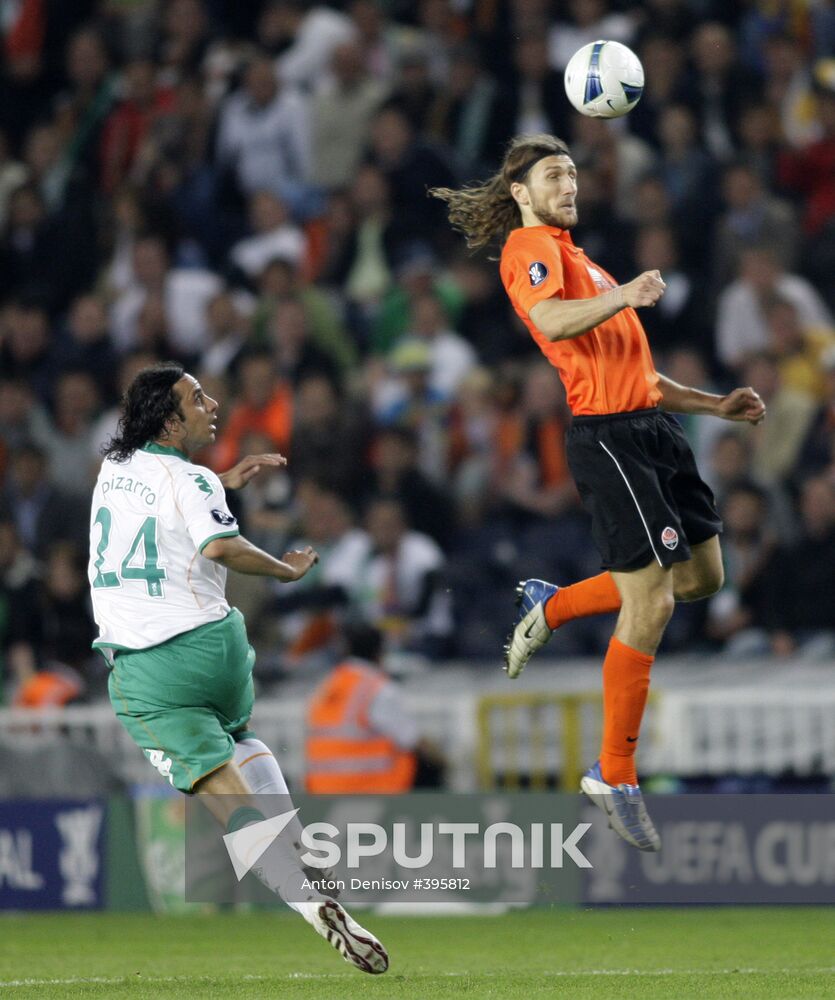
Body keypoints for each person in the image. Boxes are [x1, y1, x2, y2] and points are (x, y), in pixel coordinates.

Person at [431, 134, 766, 853]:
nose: (570, 183)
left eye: (573, 172)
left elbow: (641, 375)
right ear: (520, 191)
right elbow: (548, 320)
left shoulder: (581, 257)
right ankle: (613, 772)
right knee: (652, 597)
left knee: (703, 578)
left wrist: (714, 406)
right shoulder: (532, 251)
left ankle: (550, 605)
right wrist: (624, 294)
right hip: (608, 438)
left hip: (652, 427)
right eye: (554, 173)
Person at [87, 362, 388, 974]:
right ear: (171, 421)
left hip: (151, 665)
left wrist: (255, 538)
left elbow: (201, 531)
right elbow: (203, 527)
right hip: (219, 646)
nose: (213, 403)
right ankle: (301, 847)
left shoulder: (112, 471)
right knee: (240, 739)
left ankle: (306, 899)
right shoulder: (194, 483)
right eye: (198, 398)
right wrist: (233, 504)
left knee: (218, 790)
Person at [305, 623, 421, 794]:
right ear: (380, 652)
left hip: (322, 792)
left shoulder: (327, 686)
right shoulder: (377, 688)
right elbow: (412, 740)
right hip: (369, 792)